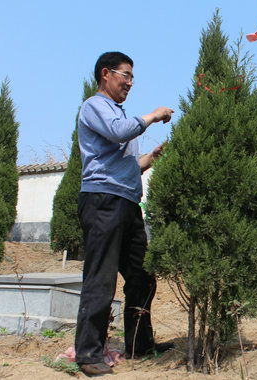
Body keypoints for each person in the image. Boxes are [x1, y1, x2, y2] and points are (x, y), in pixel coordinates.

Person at [75, 51, 174, 376]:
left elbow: (126, 163)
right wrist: (154, 116)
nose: (130, 82)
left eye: (132, 77)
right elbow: (120, 131)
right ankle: (88, 354)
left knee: (141, 276)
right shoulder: (96, 106)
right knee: (101, 278)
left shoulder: (116, 114)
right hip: (103, 201)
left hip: (127, 203)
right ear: (106, 73)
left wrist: (150, 158)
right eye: (126, 75)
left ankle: (138, 344)